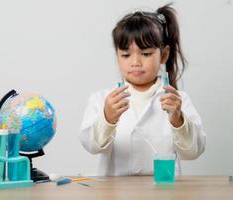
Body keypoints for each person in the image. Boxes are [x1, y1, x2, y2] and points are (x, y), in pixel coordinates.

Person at [79, 4, 206, 176]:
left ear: (164, 54)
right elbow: (91, 146)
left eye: (146, 54)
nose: (135, 62)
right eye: (126, 55)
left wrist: (178, 121)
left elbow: (193, 152)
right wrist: (107, 119)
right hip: (117, 193)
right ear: (117, 56)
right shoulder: (102, 99)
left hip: (163, 192)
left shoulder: (177, 100)